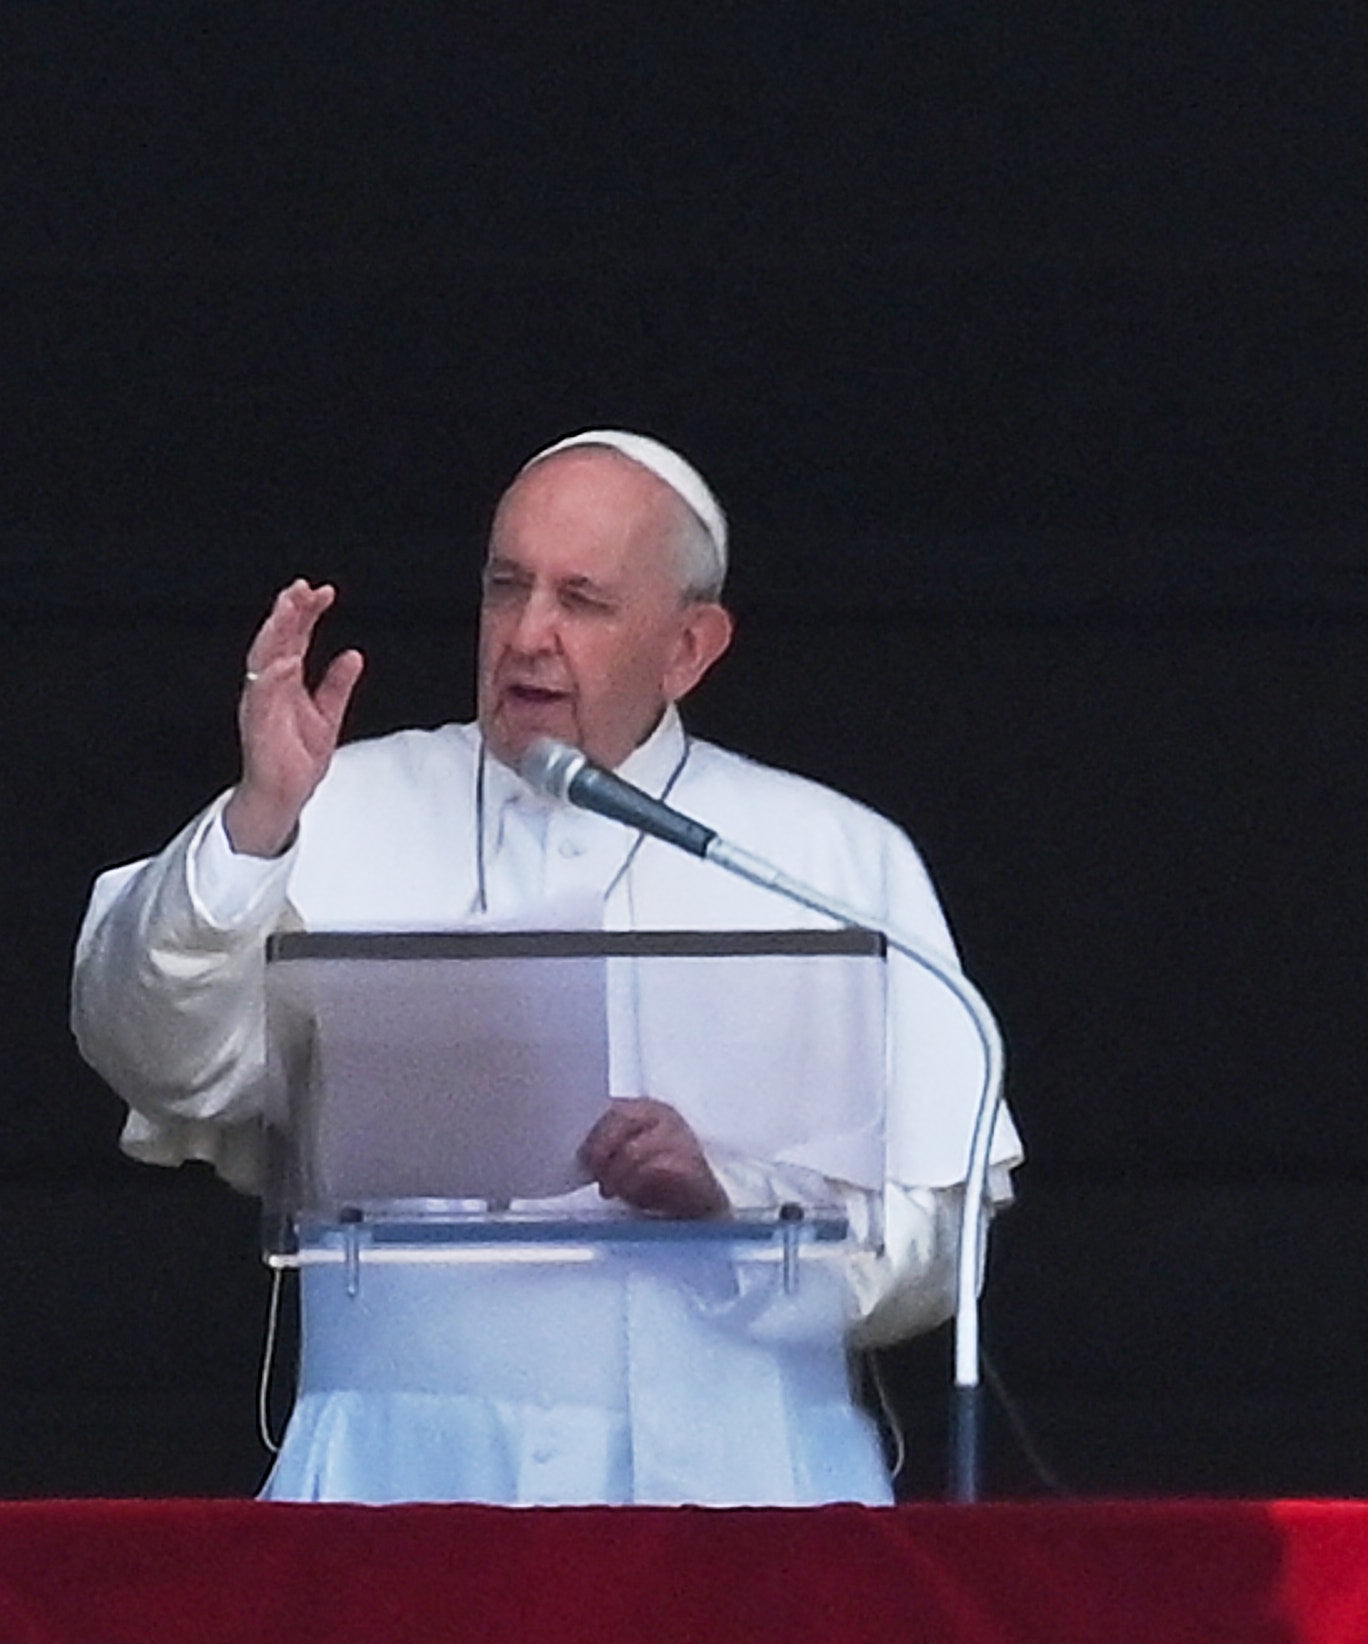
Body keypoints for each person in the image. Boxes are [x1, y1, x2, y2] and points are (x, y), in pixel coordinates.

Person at [71, 431, 1017, 1505]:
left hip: (751, 1490)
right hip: (403, 1490)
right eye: (505, 586)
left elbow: (939, 1247)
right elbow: (149, 1055)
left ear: (688, 646)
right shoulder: (332, 805)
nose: (527, 635)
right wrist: (254, 820)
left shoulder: (829, 859)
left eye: (583, 600)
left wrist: (731, 1203)